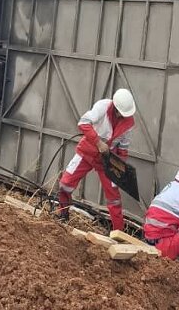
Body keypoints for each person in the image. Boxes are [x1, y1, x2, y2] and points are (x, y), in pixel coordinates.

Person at [57, 88, 136, 231]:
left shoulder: (129, 122)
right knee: (65, 185)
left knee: (114, 198)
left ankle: (118, 233)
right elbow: (83, 123)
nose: (122, 117)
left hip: (108, 159)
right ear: (115, 107)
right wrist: (98, 143)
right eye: (120, 114)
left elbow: (124, 147)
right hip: (88, 151)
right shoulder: (103, 106)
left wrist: (120, 165)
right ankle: (63, 215)